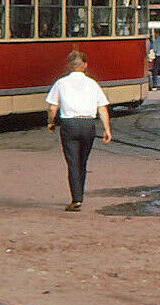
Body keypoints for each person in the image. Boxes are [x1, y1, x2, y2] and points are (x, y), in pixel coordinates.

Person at [44, 49, 112, 213]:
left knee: (72, 162)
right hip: (88, 125)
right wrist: (107, 130)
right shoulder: (92, 84)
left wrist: (51, 123)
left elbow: (52, 108)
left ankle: (77, 199)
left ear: (69, 65)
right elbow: (102, 109)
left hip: (69, 125)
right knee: (82, 161)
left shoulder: (61, 83)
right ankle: (79, 194)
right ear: (85, 65)